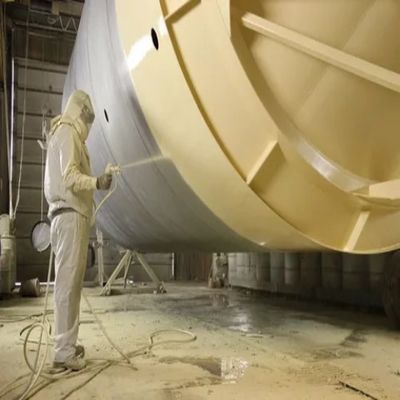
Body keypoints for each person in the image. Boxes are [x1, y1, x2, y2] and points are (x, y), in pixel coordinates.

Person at [44, 89, 112, 371]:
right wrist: (97, 182)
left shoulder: (65, 134)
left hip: (71, 216)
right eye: (88, 116)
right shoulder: (68, 133)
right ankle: (63, 352)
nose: (88, 122)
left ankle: (67, 344)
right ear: (79, 110)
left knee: (70, 286)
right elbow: (70, 177)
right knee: (67, 286)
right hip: (69, 216)